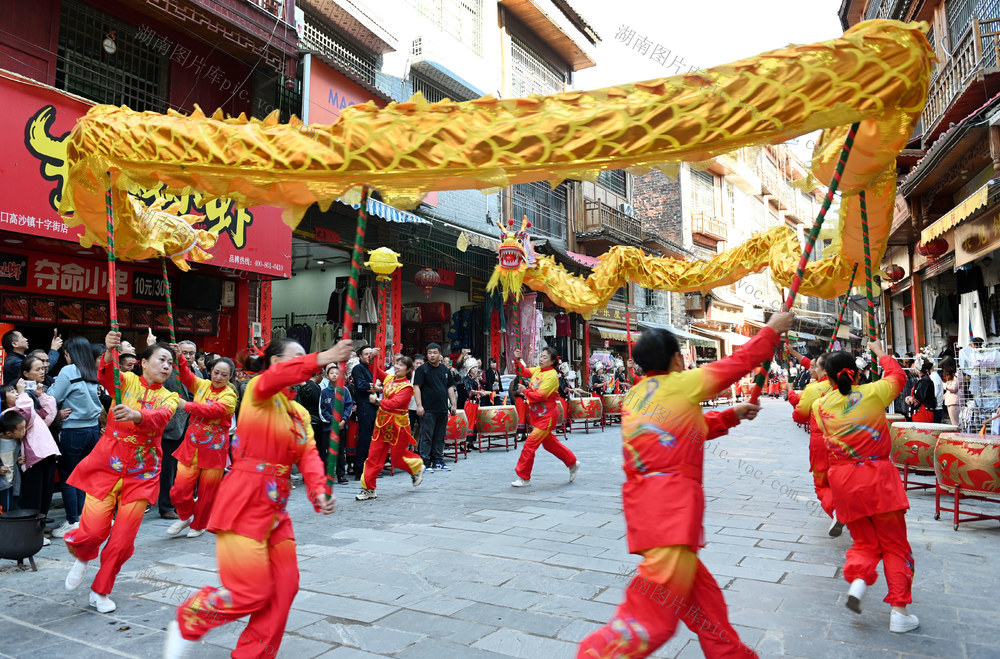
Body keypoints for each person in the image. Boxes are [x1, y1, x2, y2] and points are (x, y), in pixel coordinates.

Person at [578, 311, 796, 659]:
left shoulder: (636, 397)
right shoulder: (682, 384)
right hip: (671, 512)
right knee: (651, 619)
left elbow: (681, 431)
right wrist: (770, 331)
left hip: (650, 510)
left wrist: (732, 414)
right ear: (677, 359)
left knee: (706, 604)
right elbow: (736, 364)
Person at [164, 337, 352, 659]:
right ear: (274, 363)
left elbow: (308, 455)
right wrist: (324, 357)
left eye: (304, 358)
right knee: (250, 591)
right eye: (295, 357)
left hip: (276, 510)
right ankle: (191, 618)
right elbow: (276, 378)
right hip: (244, 501)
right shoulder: (258, 391)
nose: (302, 362)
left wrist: (319, 490)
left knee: (285, 587)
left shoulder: (298, 413)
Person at [63, 333, 180, 614]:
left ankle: (101, 590)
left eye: (170, 362)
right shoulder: (125, 381)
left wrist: (137, 416)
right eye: (161, 359)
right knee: (93, 532)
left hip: (142, 473)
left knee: (123, 540)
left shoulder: (170, 396)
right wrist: (109, 349)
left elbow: (162, 417)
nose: (167, 366)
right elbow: (104, 373)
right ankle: (83, 556)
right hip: (107, 464)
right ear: (143, 362)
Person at [813, 341, 919, 633]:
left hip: (845, 483)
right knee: (895, 545)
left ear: (828, 378)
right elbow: (898, 376)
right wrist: (881, 352)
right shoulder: (874, 393)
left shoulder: (820, 407)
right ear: (857, 373)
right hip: (878, 478)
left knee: (864, 543)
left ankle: (858, 584)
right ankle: (899, 611)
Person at [166, 351, 238, 539]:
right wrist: (179, 356)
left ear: (230, 377)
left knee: (207, 493)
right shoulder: (202, 385)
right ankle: (185, 516)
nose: (218, 377)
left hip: (214, 450)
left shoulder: (230, 396)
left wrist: (186, 405)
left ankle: (199, 525)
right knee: (179, 490)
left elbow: (212, 411)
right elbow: (185, 375)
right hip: (191, 447)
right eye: (216, 372)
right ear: (210, 371)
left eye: (224, 374)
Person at [48, 336, 103, 538]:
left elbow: (53, 397)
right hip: (92, 429)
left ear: (70, 353)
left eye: (65, 354)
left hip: (73, 430)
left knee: (69, 476)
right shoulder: (93, 370)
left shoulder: (69, 370)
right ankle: (84, 517)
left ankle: (73, 520)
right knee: (84, 475)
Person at [787, 352, 842, 536]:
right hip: (849, 441)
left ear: (824, 369)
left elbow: (799, 416)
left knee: (822, 484)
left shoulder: (814, 390)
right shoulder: (855, 388)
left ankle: (838, 510)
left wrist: (790, 392)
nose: (811, 369)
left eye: (815, 366)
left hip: (822, 442)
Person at [356, 355, 425, 500]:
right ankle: (368, 488)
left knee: (397, 459)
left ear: (408, 370)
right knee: (373, 456)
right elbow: (375, 370)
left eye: (401, 365)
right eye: (396, 364)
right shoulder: (389, 378)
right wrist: (372, 357)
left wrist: (377, 401)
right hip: (382, 425)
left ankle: (416, 466)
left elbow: (394, 404)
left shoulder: (407, 387)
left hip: (397, 427)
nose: (397, 367)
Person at [510, 346, 578, 487]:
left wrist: (525, 391)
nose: (541, 359)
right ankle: (572, 462)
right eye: (541, 356)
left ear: (552, 361)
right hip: (538, 414)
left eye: (545, 357)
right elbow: (524, 372)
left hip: (547, 416)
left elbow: (540, 396)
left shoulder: (552, 376)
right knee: (549, 444)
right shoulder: (538, 370)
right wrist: (517, 359)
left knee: (529, 444)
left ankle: (524, 477)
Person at [15, 357, 60, 526]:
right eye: (37, 369)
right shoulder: (21, 394)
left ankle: (40, 528)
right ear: (26, 373)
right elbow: (25, 416)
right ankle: (31, 530)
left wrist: (42, 396)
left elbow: (48, 418)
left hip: (46, 450)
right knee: (33, 495)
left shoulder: (34, 393)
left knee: (45, 494)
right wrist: (21, 394)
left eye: (43, 368)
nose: (42, 371)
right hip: (33, 452)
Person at [413, 342, 456, 472]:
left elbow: (450, 387)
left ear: (440, 354)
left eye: (435, 353)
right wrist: (419, 406)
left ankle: (438, 460)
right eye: (430, 353)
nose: (432, 355)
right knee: (426, 436)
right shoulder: (422, 370)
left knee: (440, 436)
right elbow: (416, 387)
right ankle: (425, 462)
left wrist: (453, 404)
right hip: (428, 409)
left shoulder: (445, 370)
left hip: (442, 408)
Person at [351, 346, 380, 480]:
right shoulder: (358, 368)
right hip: (364, 405)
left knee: (374, 438)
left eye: (371, 354)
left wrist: (375, 387)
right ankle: (360, 469)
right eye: (366, 354)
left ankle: (372, 468)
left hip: (375, 405)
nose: (369, 356)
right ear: (360, 356)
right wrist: (376, 387)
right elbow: (361, 385)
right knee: (364, 437)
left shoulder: (373, 368)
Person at [0, 406, 27, 512]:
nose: (24, 431)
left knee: (12, 507)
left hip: (12, 482)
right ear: (8, 433)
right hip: (2, 484)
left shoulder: (16, 442)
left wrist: (18, 461)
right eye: (21, 429)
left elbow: (12, 460)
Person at [905, 359, 936, 423]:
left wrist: (910, 399)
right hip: (922, 411)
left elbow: (919, 398)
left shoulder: (925, 381)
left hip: (923, 412)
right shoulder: (924, 380)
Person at [940, 357, 962, 426]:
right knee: (954, 422)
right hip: (951, 402)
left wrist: (943, 384)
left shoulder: (957, 374)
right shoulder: (952, 375)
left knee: (955, 423)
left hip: (955, 402)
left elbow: (954, 388)